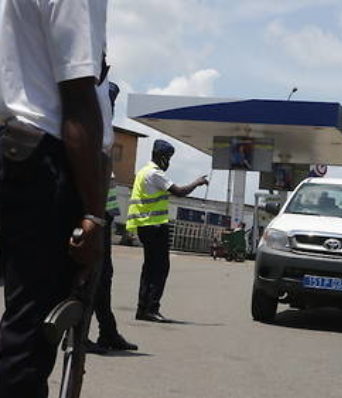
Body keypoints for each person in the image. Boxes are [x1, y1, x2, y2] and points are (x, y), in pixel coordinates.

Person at [0, 1, 110, 396]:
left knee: (22, 324)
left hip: (22, 154)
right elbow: (78, 97)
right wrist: (94, 216)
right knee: (31, 336)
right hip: (50, 164)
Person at [126, 140, 208, 322]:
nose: (169, 162)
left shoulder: (143, 172)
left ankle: (143, 309)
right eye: (168, 158)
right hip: (154, 227)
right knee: (160, 268)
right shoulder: (155, 174)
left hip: (145, 226)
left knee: (149, 269)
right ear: (161, 157)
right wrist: (197, 182)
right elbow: (179, 191)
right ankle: (151, 308)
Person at [87, 82, 138, 353]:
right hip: (92, 213)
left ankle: (108, 331)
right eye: (110, 101)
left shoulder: (102, 129)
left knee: (103, 276)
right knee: (91, 276)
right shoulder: (90, 127)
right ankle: (81, 335)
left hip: (103, 213)